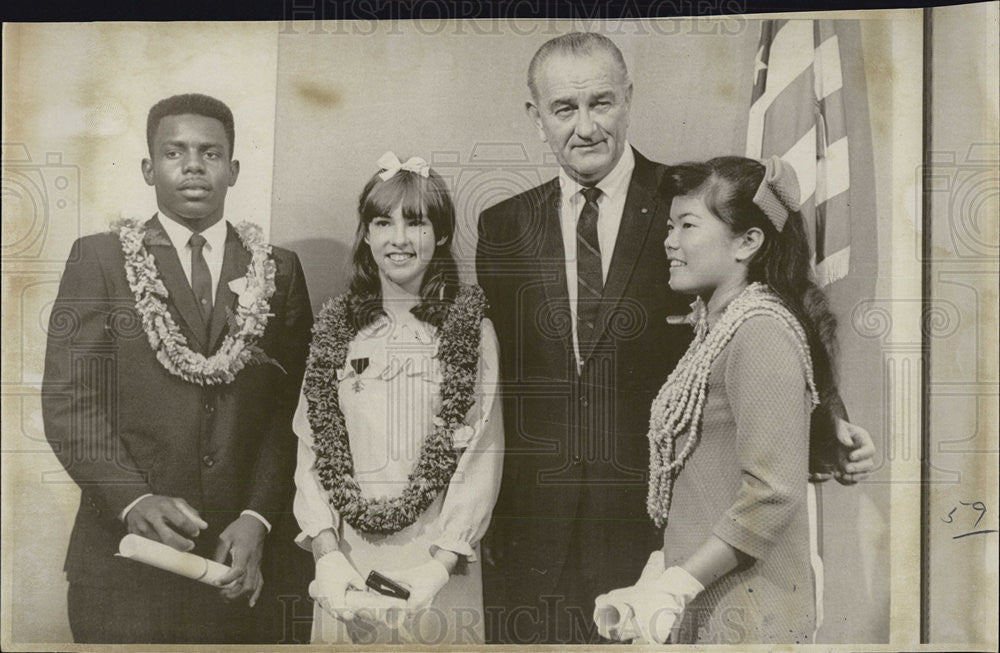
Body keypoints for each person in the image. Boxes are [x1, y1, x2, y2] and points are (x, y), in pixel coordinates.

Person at [475, 32, 875, 644]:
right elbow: (492, 379)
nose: (585, 127)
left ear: (629, 99)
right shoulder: (502, 226)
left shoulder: (690, 207)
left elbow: (782, 304)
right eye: (564, 109)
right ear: (537, 118)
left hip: (660, 542)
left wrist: (830, 418)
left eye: (601, 103)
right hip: (530, 541)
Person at [41, 93, 313, 643]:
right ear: (148, 167)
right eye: (175, 152)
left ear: (233, 170)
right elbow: (71, 402)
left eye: (210, 153)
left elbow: (293, 413)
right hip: (125, 565)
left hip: (241, 565)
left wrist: (258, 517)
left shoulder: (278, 269)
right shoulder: (98, 259)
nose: (193, 165)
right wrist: (132, 498)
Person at [594, 156, 840, 645]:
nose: (669, 241)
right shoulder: (721, 329)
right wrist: (658, 576)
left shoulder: (759, 329)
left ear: (748, 242)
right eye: (670, 225)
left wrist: (677, 585)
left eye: (687, 225)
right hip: (716, 601)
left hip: (749, 610)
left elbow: (774, 491)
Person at [292, 152, 503, 644]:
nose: (399, 239)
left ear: (443, 233)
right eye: (382, 222)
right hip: (349, 559)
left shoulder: (470, 330)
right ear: (366, 234)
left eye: (417, 223)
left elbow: (484, 452)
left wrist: (441, 565)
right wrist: (327, 556)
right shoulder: (336, 332)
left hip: (437, 566)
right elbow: (311, 449)